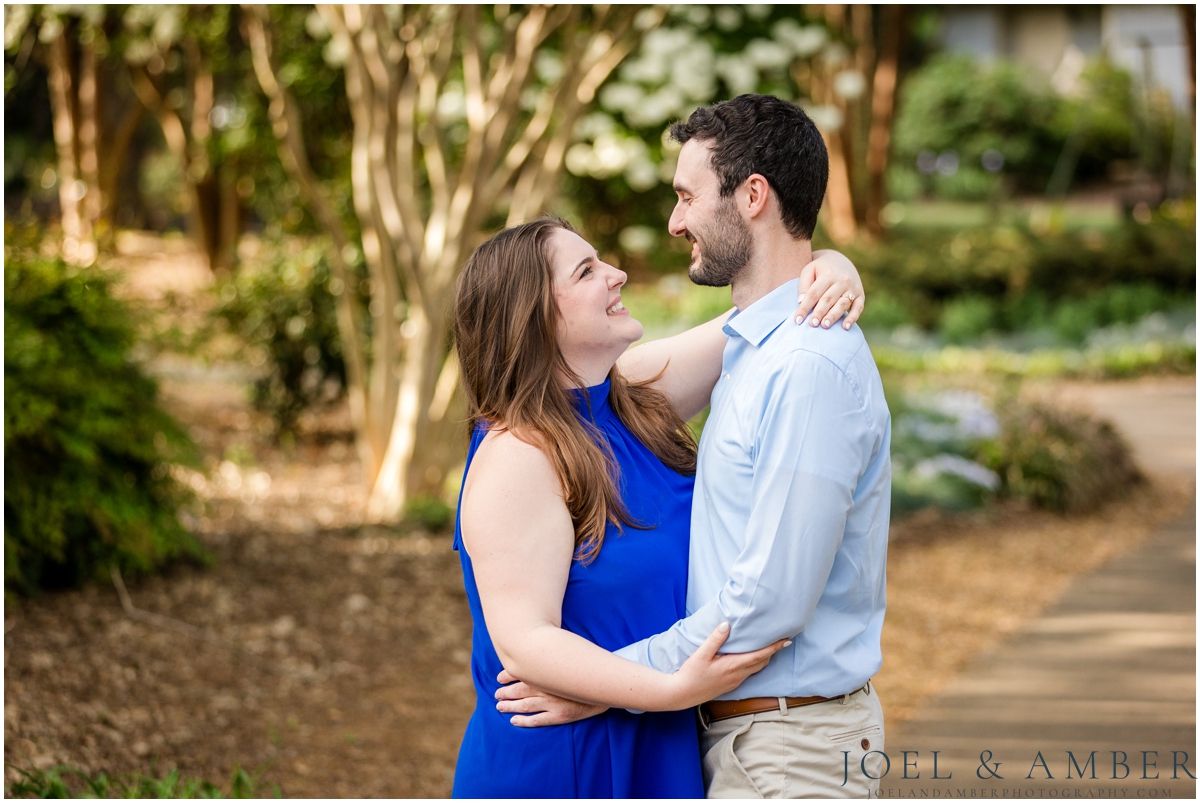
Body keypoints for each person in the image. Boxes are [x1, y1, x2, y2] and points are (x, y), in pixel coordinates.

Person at [501, 95, 892, 799]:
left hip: (788, 750)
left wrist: (619, 685)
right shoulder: (749, 347)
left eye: (687, 196)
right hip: (747, 741)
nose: (676, 221)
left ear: (752, 196)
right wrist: (830, 259)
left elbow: (767, 603)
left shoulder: (804, 367)